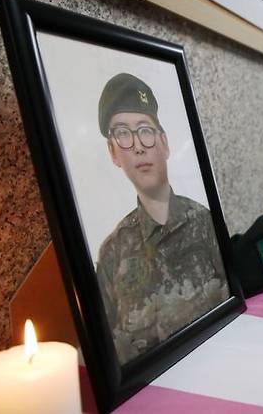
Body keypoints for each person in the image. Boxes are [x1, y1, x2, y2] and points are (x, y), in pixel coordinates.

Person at [95, 73, 229, 363]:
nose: (138, 146)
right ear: (113, 153)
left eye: (145, 130)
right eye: (122, 134)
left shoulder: (206, 224)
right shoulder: (112, 254)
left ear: (164, 142)